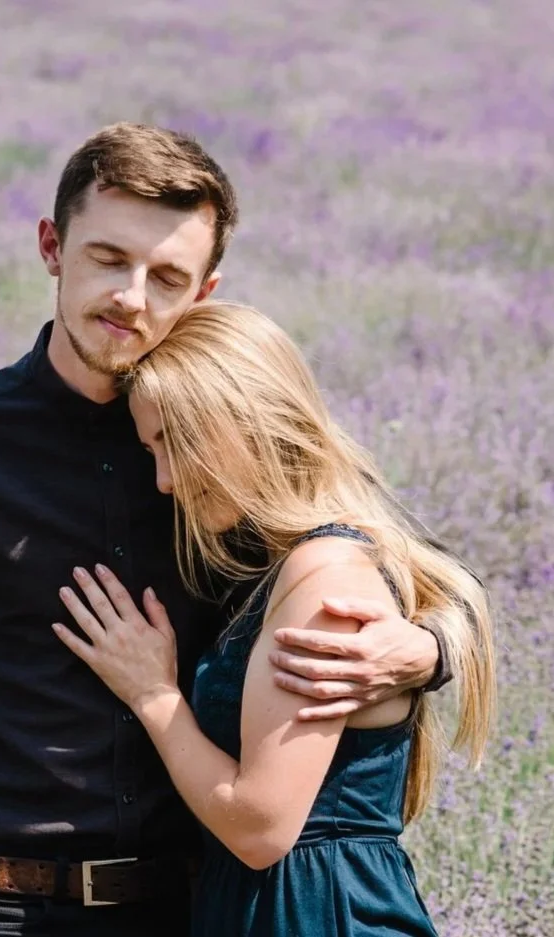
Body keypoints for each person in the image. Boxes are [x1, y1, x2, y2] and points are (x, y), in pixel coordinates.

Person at [0, 123, 453, 937]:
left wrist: (426, 650)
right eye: (108, 257)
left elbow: (388, 556)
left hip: (200, 903)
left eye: (166, 275)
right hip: (4, 908)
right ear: (51, 247)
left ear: (203, 292)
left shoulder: (223, 446)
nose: (131, 298)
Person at [51, 300, 497, 936]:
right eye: (150, 450)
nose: (165, 480)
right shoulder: (273, 561)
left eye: (174, 445)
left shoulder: (324, 579)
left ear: (245, 421)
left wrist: (152, 694)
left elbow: (260, 828)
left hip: (317, 913)